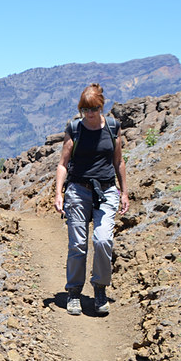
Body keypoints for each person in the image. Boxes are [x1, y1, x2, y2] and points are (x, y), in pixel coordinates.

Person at [54, 83, 129, 316]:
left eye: (94, 109)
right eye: (85, 109)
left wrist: (124, 191)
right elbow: (63, 164)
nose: (89, 114)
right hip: (78, 190)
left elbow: (119, 161)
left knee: (103, 240)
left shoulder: (113, 127)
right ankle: (74, 292)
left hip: (106, 191)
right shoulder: (75, 128)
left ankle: (100, 288)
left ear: (101, 106)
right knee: (77, 244)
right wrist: (59, 193)